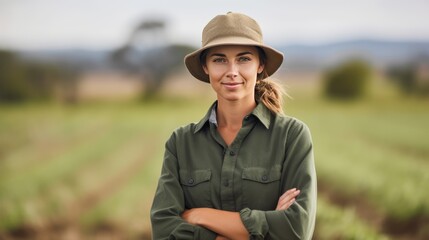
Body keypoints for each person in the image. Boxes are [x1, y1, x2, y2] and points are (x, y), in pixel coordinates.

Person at [150, 12, 317, 240]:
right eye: (219, 59)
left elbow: (296, 230)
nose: (232, 71)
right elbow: (163, 229)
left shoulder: (292, 136)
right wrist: (266, 227)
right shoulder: (181, 143)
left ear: (260, 65)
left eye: (243, 59)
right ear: (205, 67)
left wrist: (199, 215)